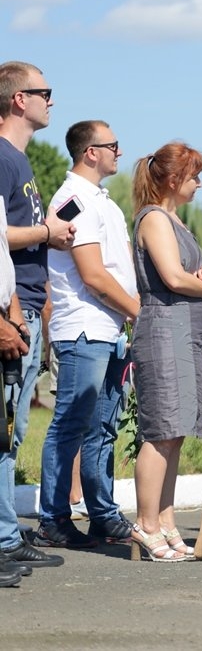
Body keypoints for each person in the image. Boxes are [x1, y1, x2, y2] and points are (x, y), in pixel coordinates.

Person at [35, 121, 137, 551]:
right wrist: (138, 312)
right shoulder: (72, 199)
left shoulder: (103, 200)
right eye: (112, 145)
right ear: (90, 152)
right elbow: (93, 275)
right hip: (84, 328)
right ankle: (53, 519)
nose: (119, 151)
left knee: (103, 428)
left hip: (110, 328)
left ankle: (102, 514)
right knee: (71, 425)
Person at [129, 143, 202, 562]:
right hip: (164, 332)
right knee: (161, 431)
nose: (199, 183)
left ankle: (165, 522)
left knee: (176, 432)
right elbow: (171, 277)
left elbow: (183, 275)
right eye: (193, 175)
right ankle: (145, 524)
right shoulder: (154, 218)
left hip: (182, 333)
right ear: (172, 180)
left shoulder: (174, 220)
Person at [1, 62, 74, 571]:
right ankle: (4, 539)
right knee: (5, 432)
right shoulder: (3, 158)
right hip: (12, 311)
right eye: (44, 92)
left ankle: (6, 532)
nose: (51, 101)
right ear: (18, 99)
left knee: (13, 432)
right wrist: (47, 233)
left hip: (24, 306)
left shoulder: (20, 161)